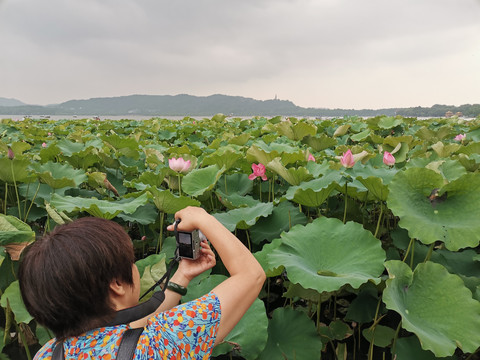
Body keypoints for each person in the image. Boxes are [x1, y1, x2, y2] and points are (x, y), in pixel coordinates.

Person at [18, 206, 266, 359]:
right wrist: (203, 218)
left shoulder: (49, 353)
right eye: (132, 262)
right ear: (117, 283)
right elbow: (251, 275)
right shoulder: (164, 341)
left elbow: (121, 331)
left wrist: (182, 277)